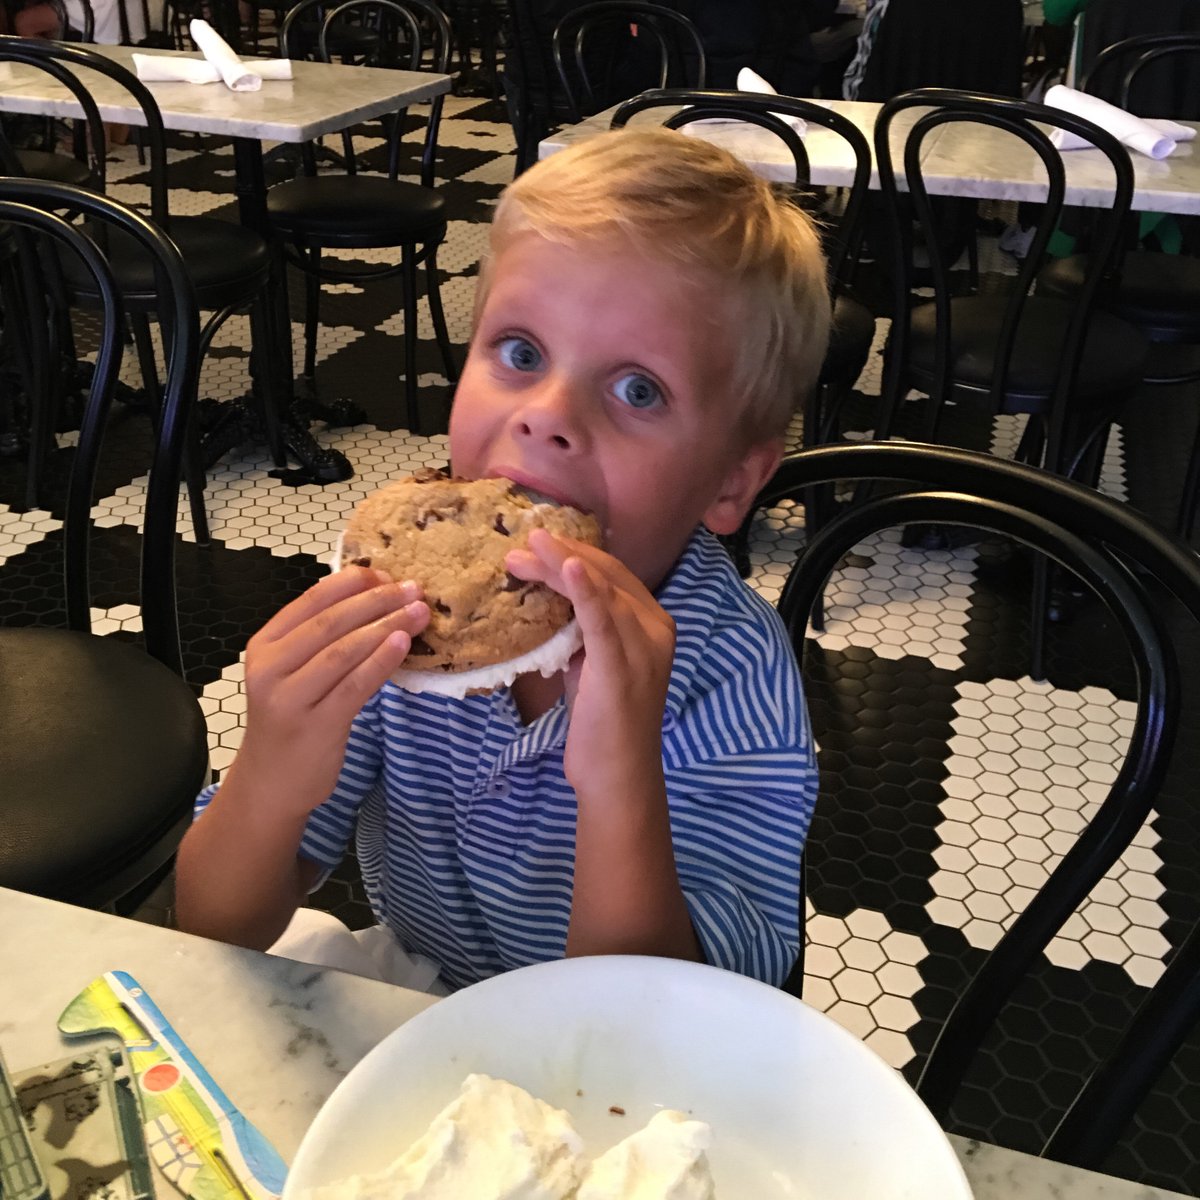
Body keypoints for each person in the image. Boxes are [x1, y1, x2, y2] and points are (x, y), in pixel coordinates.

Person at [175, 127, 832, 995]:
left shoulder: (732, 674)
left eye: (639, 389)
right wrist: (271, 770)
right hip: (423, 996)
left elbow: (662, 1021)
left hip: (626, 1057)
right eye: (520, 353)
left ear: (729, 480)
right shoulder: (396, 615)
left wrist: (618, 779)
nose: (548, 414)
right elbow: (213, 926)